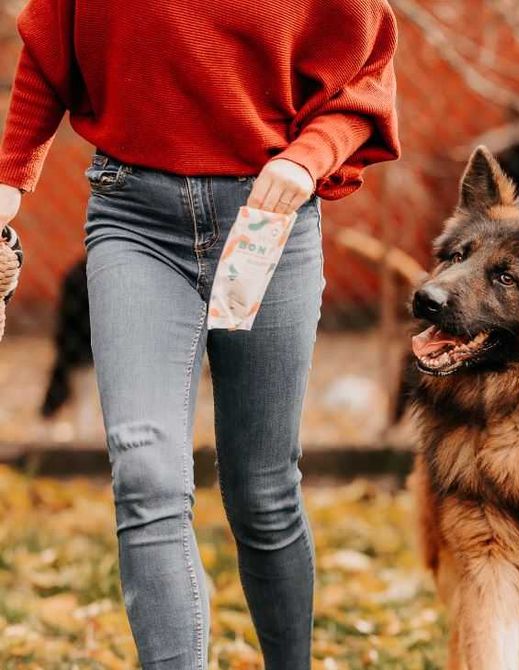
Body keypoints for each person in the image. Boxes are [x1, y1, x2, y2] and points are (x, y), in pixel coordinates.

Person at [0, 1, 399, 667]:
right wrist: (10, 176)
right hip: (134, 220)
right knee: (146, 475)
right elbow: (49, 49)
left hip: (268, 220)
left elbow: (366, 76)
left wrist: (308, 159)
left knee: (262, 492)